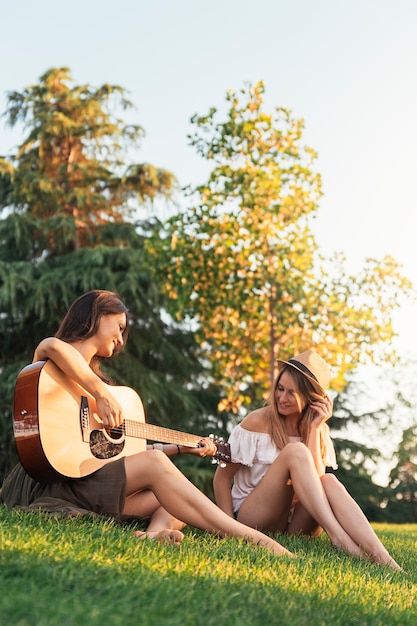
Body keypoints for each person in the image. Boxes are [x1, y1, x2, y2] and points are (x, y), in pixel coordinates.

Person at [1, 289, 297, 557]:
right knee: (156, 466)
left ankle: (151, 536)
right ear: (97, 314)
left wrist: (182, 449)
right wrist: (100, 394)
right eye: (119, 328)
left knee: (171, 500)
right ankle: (253, 539)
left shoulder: (103, 389)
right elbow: (52, 345)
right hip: (51, 482)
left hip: (83, 482)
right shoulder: (52, 365)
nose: (120, 340)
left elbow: (126, 455)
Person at [213, 349, 402, 571]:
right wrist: (228, 528)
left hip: (294, 525)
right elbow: (221, 479)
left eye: (291, 393)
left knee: (329, 480)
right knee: (295, 452)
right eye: (280, 389)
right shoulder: (257, 422)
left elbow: (318, 480)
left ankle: (385, 559)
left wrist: (314, 427)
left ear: (311, 397)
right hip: (253, 518)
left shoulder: (317, 428)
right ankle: (338, 536)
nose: (282, 398)